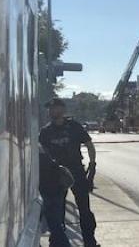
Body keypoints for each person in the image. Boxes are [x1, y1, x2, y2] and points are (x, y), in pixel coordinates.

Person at [39, 97, 100, 247]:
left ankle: (90, 242)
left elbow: (89, 145)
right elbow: (41, 153)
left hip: (77, 172)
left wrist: (92, 167)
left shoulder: (74, 127)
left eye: (54, 108)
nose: (51, 111)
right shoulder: (45, 131)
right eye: (50, 108)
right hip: (57, 176)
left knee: (84, 210)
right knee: (57, 212)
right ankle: (57, 242)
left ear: (62, 109)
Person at [39, 143, 74, 247]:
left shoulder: (30, 153)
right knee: (56, 225)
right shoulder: (43, 152)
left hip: (44, 191)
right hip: (56, 190)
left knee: (40, 224)